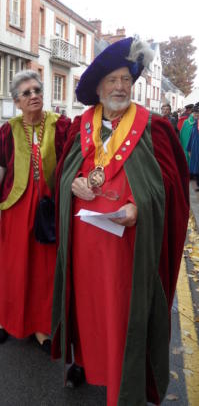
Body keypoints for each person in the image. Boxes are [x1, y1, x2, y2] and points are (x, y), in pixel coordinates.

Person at [51, 37, 189, 406]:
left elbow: (171, 187)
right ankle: (86, 362)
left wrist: (140, 207)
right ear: (98, 87)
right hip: (85, 244)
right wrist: (74, 184)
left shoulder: (153, 127)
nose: (120, 87)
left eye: (126, 79)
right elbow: (64, 176)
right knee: (88, 309)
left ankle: (122, 382)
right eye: (112, 80)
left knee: (121, 313)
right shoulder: (81, 125)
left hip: (127, 246)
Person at [0, 70, 70, 352]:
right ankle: (6, 321)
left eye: (37, 91)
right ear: (17, 102)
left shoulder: (61, 125)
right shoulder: (9, 129)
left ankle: (41, 327)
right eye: (26, 93)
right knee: (13, 269)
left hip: (48, 210)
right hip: (16, 210)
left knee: (44, 270)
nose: (34, 96)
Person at [186, 105, 199, 189]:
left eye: (197, 113)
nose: (195, 115)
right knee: (196, 166)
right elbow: (191, 136)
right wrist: (189, 148)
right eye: (194, 113)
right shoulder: (195, 123)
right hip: (195, 148)